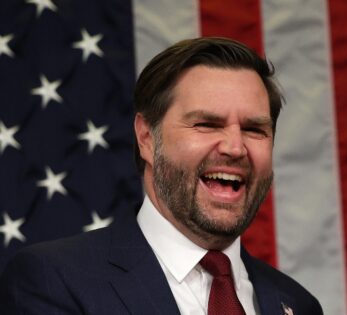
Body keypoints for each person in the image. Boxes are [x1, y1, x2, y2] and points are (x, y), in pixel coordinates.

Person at [0, 37, 323, 315]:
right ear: (146, 138)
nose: (235, 147)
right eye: (207, 124)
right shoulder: (55, 280)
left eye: (254, 129)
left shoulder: (296, 303)